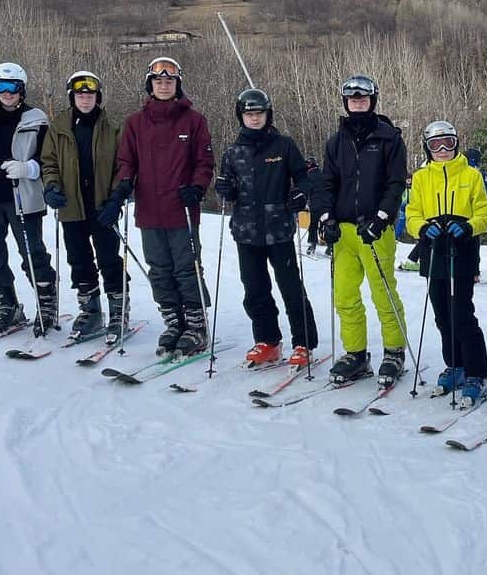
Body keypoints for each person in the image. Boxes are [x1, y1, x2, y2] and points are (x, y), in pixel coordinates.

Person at [99, 57, 213, 357]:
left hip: (182, 210)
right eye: (159, 81)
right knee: (160, 271)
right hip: (149, 210)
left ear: (178, 85)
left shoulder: (194, 120)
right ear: (150, 85)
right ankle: (173, 321)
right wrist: (123, 185)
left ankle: (196, 325)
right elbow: (127, 161)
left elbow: (205, 162)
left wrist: (198, 187)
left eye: (170, 81)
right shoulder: (135, 123)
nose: (164, 85)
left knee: (187, 269)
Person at [312, 75, 409, 387]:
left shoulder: (389, 139)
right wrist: (326, 218)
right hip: (345, 232)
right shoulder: (335, 142)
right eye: (352, 99)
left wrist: (381, 219)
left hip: (375, 231)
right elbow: (327, 184)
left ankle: (394, 352)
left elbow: (396, 184)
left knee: (383, 293)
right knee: (344, 295)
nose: (357, 103)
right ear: (346, 103)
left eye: (363, 99)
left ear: (372, 101)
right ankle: (356, 353)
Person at [214, 88, 317, 369]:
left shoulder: (283, 146)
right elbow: (229, 189)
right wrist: (223, 189)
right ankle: (268, 341)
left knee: (290, 287)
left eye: (259, 113)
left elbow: (304, 178)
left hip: (279, 229)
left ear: (267, 115)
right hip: (246, 232)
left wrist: (300, 194)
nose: (255, 118)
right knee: (255, 289)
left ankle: (304, 342)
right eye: (249, 114)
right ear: (241, 117)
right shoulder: (234, 152)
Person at [0, 62, 57, 335]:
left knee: (32, 253)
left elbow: (48, 157)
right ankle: (7, 303)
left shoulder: (37, 119)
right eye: (0, 87)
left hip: (23, 197)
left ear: (22, 90)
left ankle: (46, 302)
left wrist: (29, 168)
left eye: (13, 87)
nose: (7, 93)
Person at [405, 120, 487, 401]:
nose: (442, 150)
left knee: (461, 313)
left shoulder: (471, 175)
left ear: (457, 144)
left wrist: (468, 226)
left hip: (462, 249)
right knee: (442, 313)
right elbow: (411, 214)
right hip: (435, 250)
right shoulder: (421, 178)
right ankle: (455, 364)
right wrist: (421, 228)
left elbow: (484, 213)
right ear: (427, 148)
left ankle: (476, 371)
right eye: (435, 145)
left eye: (448, 143)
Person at [39, 71, 126, 342]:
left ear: (97, 97)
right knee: (78, 259)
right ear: (72, 97)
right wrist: (51, 186)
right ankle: (90, 309)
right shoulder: (59, 127)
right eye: (80, 94)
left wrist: (116, 198)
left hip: (102, 206)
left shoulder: (112, 127)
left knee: (109, 258)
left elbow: (122, 167)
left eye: (90, 95)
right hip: (71, 206)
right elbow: (49, 162)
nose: (85, 99)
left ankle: (118, 309)